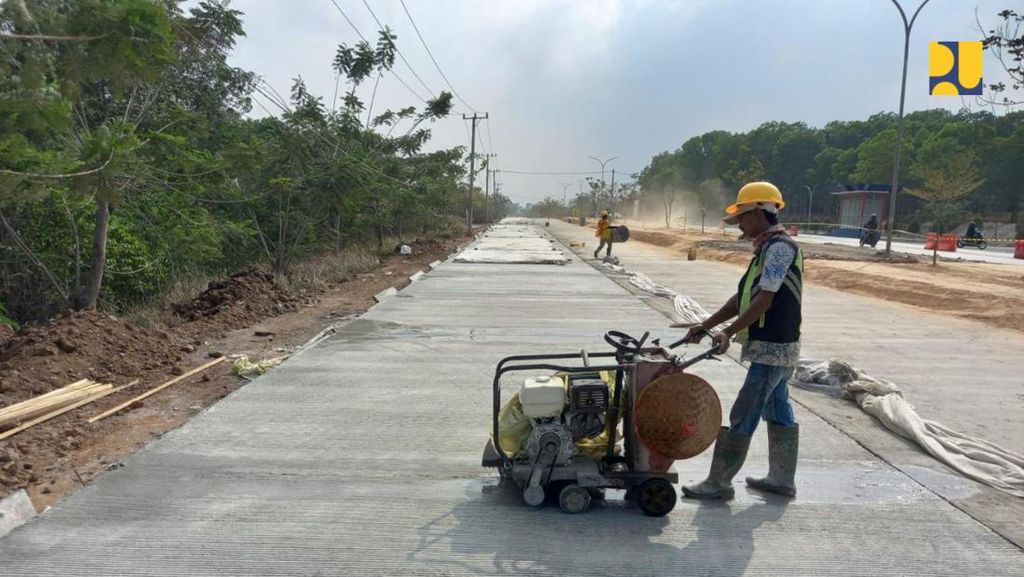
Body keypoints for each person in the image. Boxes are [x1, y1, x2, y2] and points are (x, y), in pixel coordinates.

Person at [679, 181, 802, 500]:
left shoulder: (779, 249)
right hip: (776, 345)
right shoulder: (766, 248)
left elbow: (764, 301)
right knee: (777, 408)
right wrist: (705, 325)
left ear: (761, 212)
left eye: (744, 218)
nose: (741, 226)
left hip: (774, 347)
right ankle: (781, 479)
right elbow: (743, 298)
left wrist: (728, 333)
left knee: (744, 411)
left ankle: (719, 482)